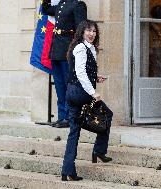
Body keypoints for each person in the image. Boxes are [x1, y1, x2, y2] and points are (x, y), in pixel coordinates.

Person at [61, 20, 113, 181]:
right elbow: (81, 74)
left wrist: (96, 77)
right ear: (82, 32)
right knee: (107, 115)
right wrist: (93, 92)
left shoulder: (87, 48)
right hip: (80, 93)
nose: (91, 34)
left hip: (73, 92)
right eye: (88, 31)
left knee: (74, 131)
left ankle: (67, 170)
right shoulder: (81, 48)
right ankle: (99, 150)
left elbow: (83, 72)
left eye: (94, 31)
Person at [42, 0, 87, 128]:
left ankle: (69, 117)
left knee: (69, 85)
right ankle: (62, 116)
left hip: (68, 50)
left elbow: (80, 30)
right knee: (59, 85)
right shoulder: (61, 4)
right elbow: (46, 10)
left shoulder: (78, 5)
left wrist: (76, 51)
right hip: (55, 50)